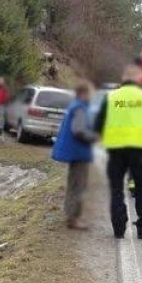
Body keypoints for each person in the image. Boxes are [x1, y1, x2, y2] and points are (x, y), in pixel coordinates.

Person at [93, 65, 142, 240]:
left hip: (115, 149)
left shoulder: (111, 97)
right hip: (139, 149)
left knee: (116, 188)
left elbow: (97, 125)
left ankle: (118, 229)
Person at [52, 81, 99, 229]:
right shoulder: (79, 108)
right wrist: (94, 137)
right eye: (90, 93)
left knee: (73, 184)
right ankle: (74, 218)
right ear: (83, 93)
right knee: (79, 185)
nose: (91, 96)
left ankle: (70, 215)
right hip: (79, 153)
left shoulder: (75, 106)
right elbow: (79, 130)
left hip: (75, 152)